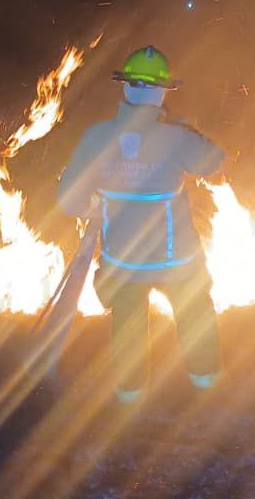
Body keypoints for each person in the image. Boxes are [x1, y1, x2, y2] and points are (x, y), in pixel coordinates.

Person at [57, 45, 225, 404]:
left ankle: (130, 399)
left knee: (128, 326)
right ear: (163, 91)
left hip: (123, 261)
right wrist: (186, 128)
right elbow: (214, 161)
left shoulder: (97, 137)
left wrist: (94, 207)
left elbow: (68, 200)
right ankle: (207, 387)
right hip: (176, 260)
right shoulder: (175, 136)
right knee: (195, 314)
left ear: (126, 88)